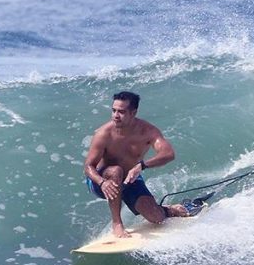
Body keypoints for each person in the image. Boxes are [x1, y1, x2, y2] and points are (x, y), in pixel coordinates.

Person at [83, 90, 201, 238]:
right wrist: (101, 182)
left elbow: (168, 154)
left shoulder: (147, 131)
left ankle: (170, 210)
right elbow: (88, 167)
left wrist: (142, 165)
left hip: (129, 179)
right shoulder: (104, 134)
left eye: (121, 112)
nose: (115, 115)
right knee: (115, 171)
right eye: (113, 110)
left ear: (133, 112)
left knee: (156, 218)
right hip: (101, 180)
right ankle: (117, 223)